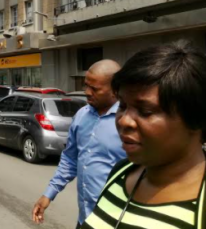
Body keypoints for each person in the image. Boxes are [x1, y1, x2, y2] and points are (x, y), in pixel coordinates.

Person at [82, 42, 206, 228]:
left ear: (195, 118)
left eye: (145, 111)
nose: (124, 121)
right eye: (122, 106)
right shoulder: (121, 172)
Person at [33, 60, 125, 227]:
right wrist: (49, 194)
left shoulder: (129, 122)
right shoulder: (82, 116)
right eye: (86, 86)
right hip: (84, 218)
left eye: (95, 89)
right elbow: (70, 159)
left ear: (115, 90)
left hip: (115, 221)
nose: (87, 92)